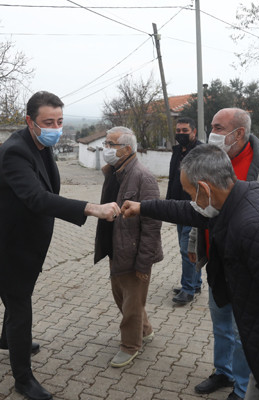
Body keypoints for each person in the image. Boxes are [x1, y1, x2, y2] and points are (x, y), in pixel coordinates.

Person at [121, 144, 259, 400]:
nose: (192, 200)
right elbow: (187, 211)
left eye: (191, 193)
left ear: (205, 189)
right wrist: (143, 207)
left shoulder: (255, 227)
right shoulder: (242, 196)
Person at [0, 91, 120, 400]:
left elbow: (47, 190)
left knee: (14, 297)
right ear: (30, 121)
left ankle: (8, 340)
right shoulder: (15, 152)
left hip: (24, 241)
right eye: (48, 122)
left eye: (60, 121)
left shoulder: (41, 146)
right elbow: (36, 197)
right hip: (7, 246)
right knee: (20, 305)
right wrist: (92, 208)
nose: (56, 128)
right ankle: (23, 379)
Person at [190, 108, 259, 399]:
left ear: (238, 133)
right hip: (218, 263)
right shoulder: (213, 159)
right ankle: (223, 372)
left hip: (249, 270)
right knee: (221, 325)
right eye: (212, 126)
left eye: (218, 127)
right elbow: (199, 205)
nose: (211, 133)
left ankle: (241, 389)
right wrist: (194, 243)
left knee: (244, 334)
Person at [94, 126, 163, 368]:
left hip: (134, 252)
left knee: (131, 303)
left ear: (126, 149)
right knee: (123, 297)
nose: (106, 148)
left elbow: (152, 224)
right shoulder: (114, 172)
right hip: (116, 248)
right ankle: (145, 330)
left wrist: (144, 263)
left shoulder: (143, 177)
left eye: (110, 144)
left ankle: (130, 345)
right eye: (106, 143)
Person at [166, 117, 203, 306]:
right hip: (178, 207)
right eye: (178, 130)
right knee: (190, 247)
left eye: (184, 131)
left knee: (187, 249)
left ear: (194, 132)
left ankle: (187, 289)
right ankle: (195, 284)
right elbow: (173, 178)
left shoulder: (200, 152)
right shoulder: (177, 151)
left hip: (193, 207)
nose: (180, 134)